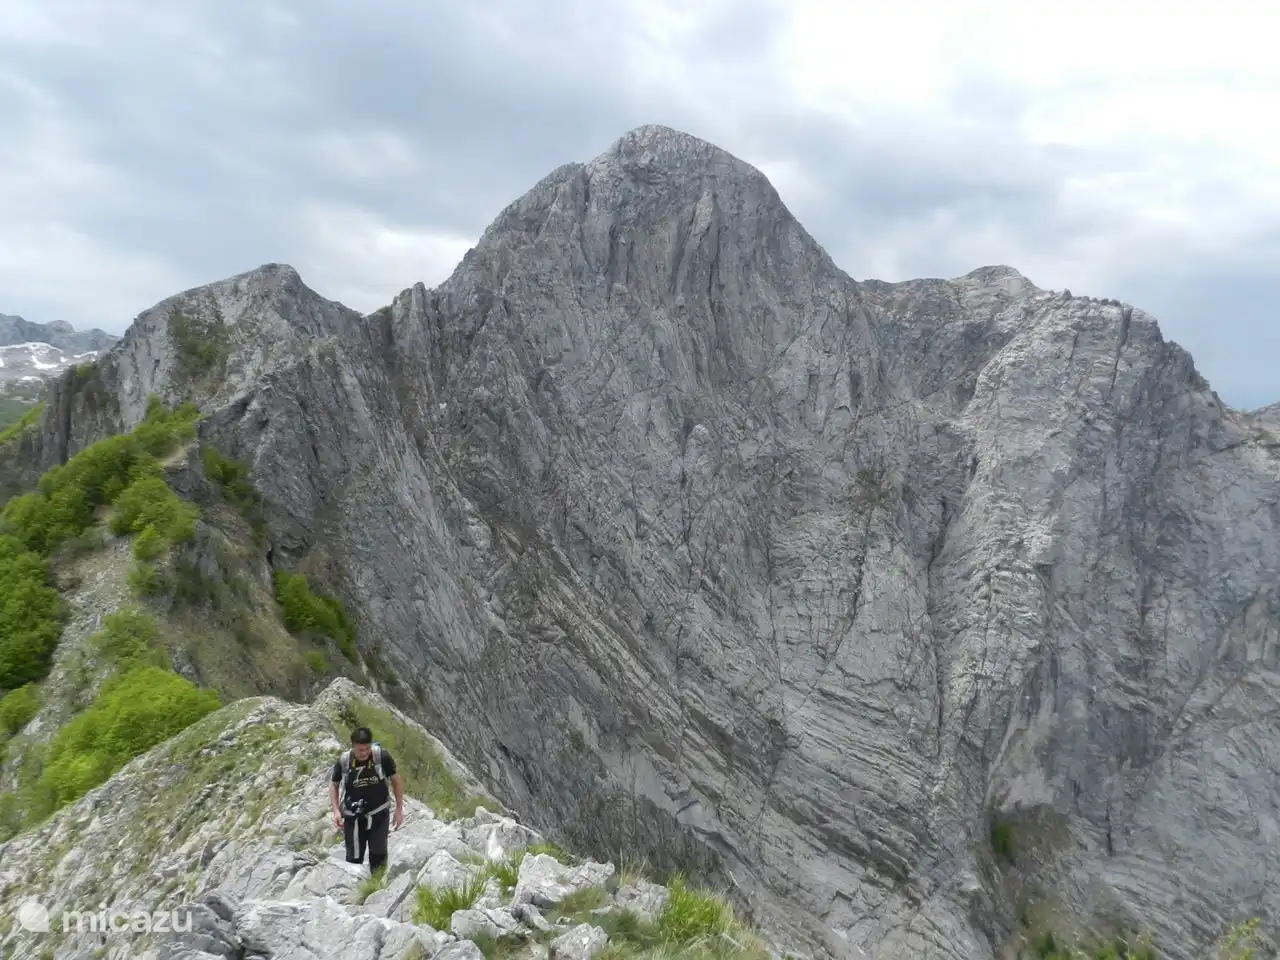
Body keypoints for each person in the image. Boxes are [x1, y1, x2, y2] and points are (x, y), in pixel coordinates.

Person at [330, 726, 405, 874]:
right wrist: (336, 811)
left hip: (379, 814)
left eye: (367, 749)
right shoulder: (344, 761)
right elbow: (334, 784)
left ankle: (376, 889)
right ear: (352, 746)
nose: (364, 753)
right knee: (353, 859)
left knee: (379, 855)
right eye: (360, 750)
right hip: (353, 817)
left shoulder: (381, 757)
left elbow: (396, 780)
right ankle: (353, 891)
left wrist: (399, 808)